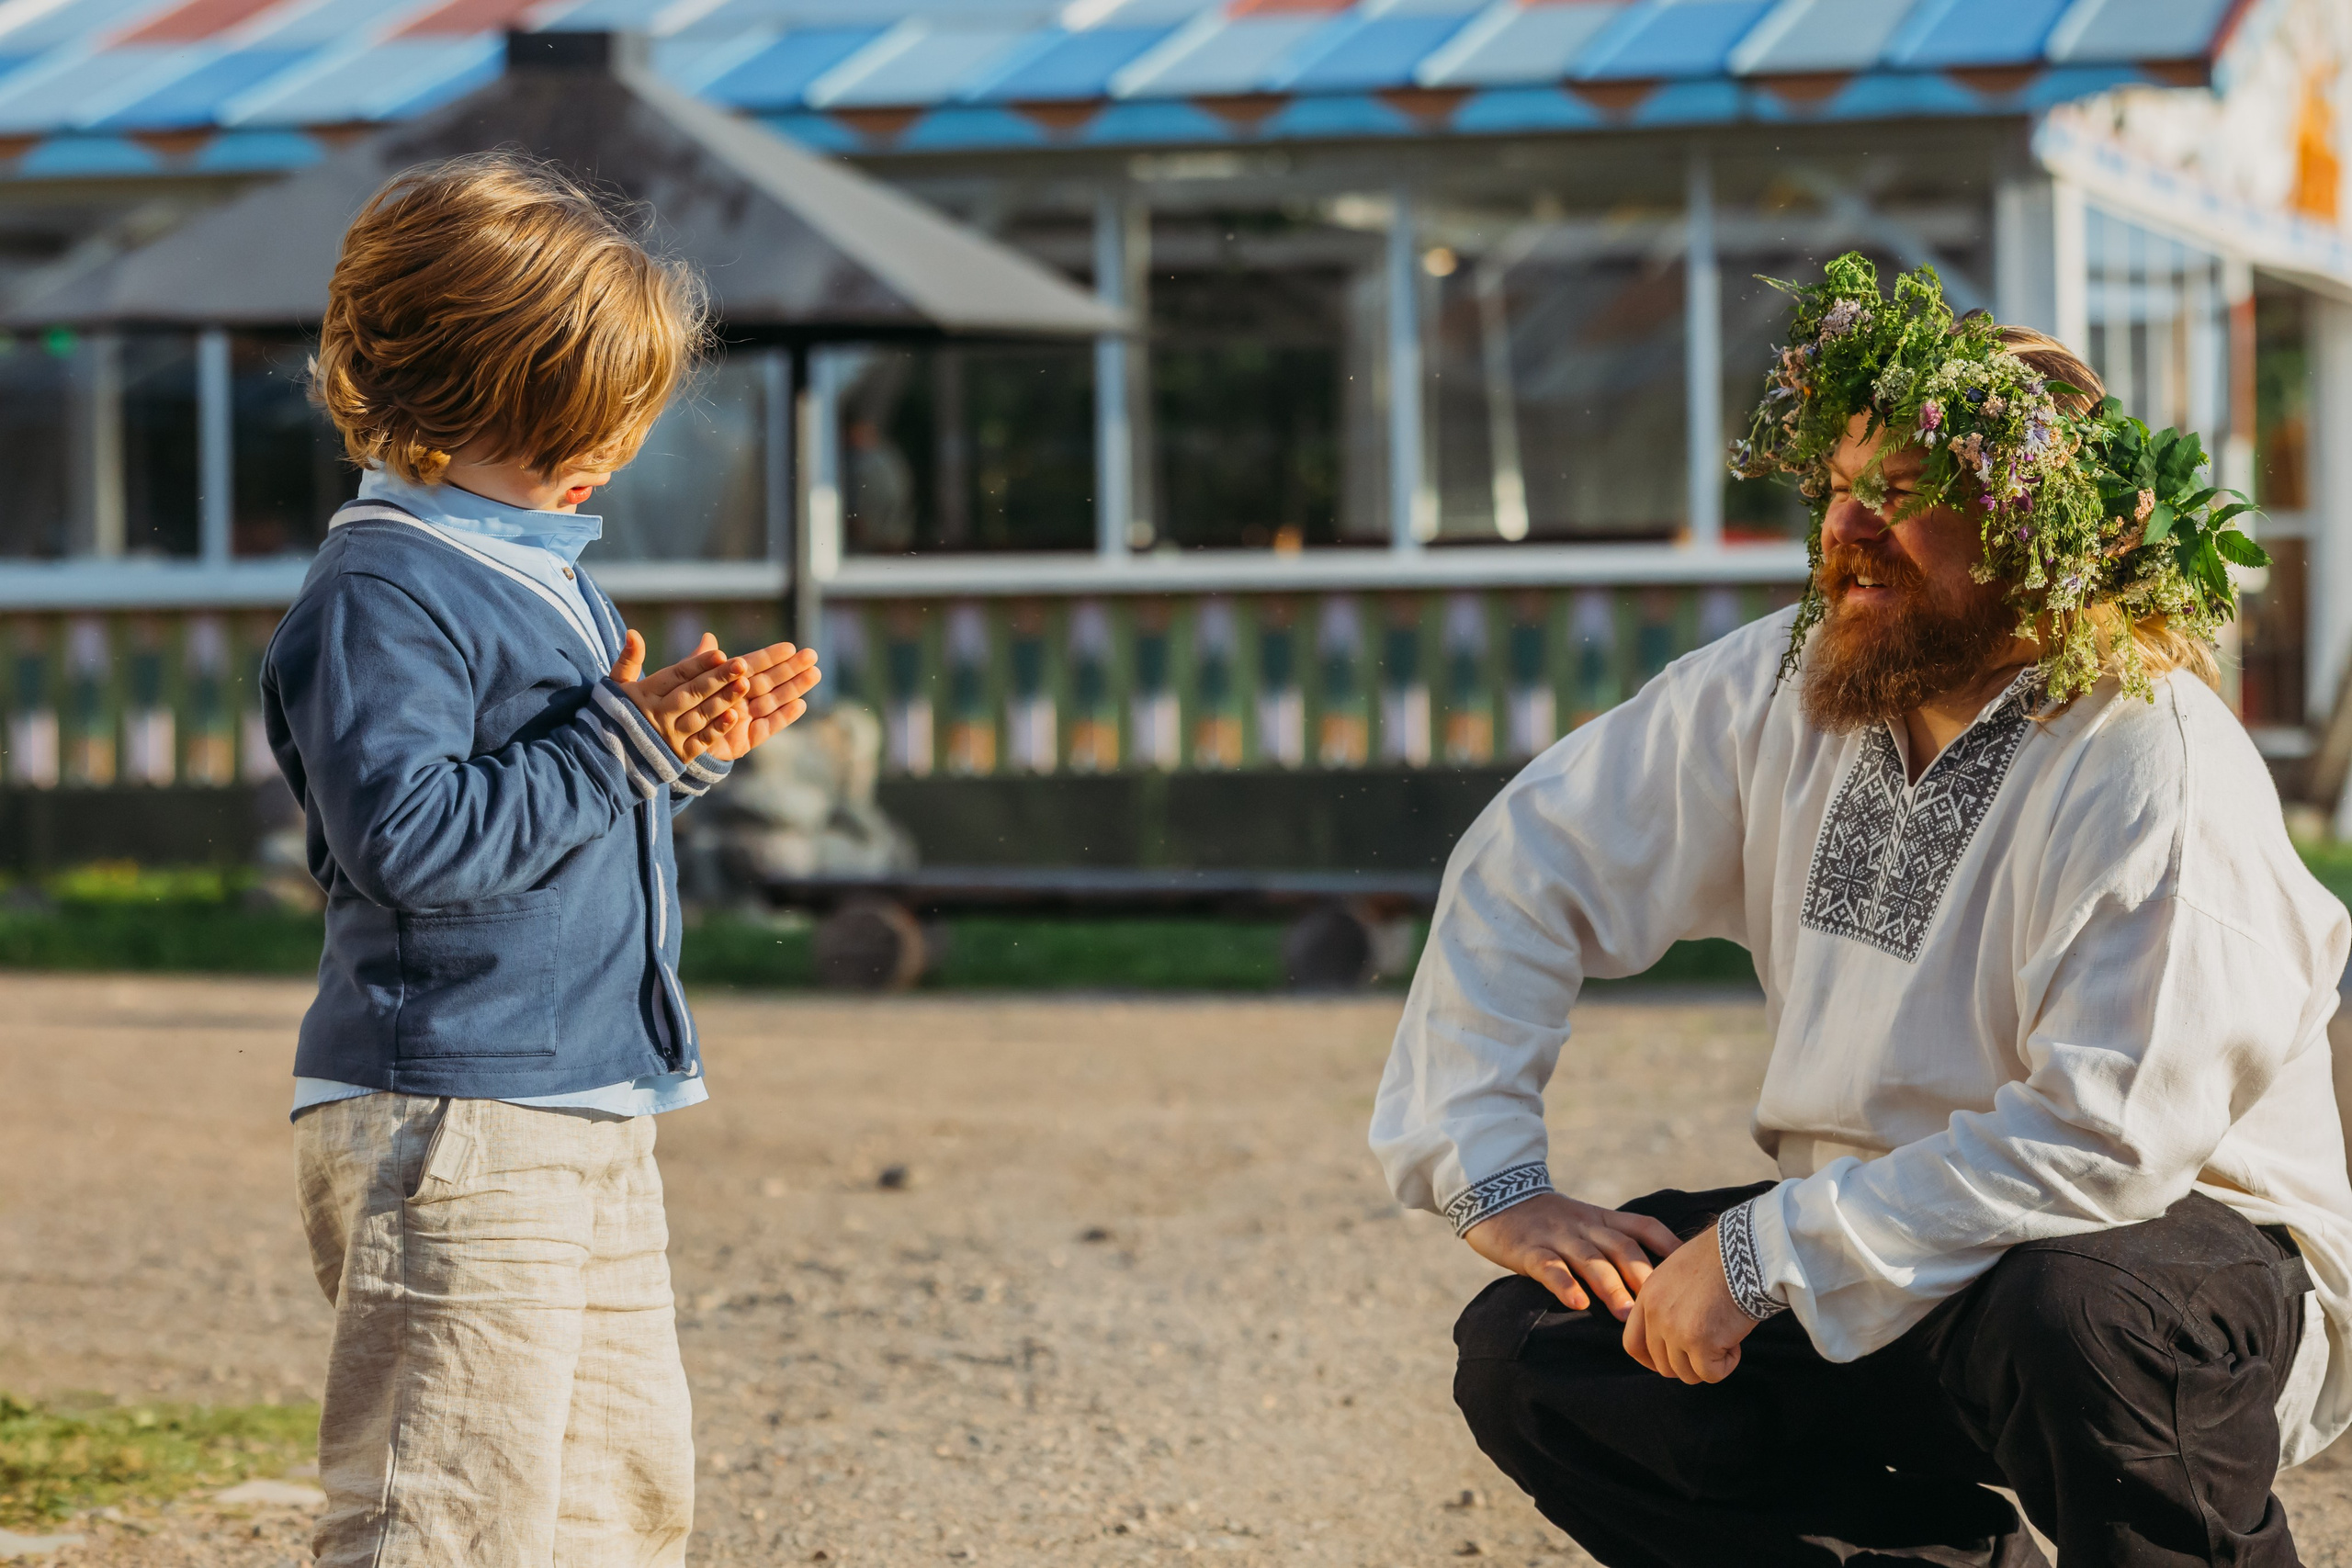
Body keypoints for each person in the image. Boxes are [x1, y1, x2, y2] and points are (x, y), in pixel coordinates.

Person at [1370, 254, 2352, 1567]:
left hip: (2171, 1277)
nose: (1845, 530)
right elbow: (1525, 863)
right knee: (1541, 1358)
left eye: (1900, 499)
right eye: (1838, 491)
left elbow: (2108, 1143)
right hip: (1872, 1261)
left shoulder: (2147, 751)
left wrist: (1762, 1255)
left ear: (2028, 525)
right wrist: (1489, 1173)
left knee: (2075, 1312)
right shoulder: (1782, 686)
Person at [263, 152, 820, 1567]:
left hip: (581, 1094)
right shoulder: (383, 591)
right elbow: (412, 838)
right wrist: (615, 747)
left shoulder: (539, 568)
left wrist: (673, 752)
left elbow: (546, 822)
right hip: (447, 1110)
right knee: (445, 1504)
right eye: (574, 430)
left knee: (609, 1500)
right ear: (452, 415)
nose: (611, 462)